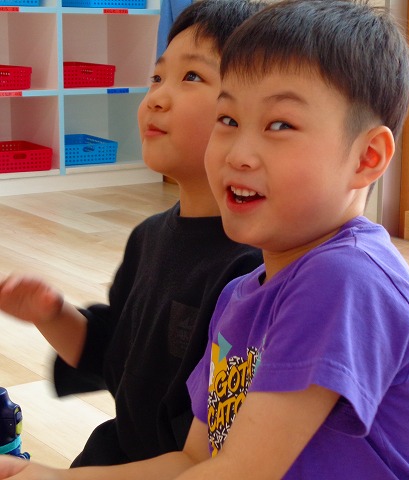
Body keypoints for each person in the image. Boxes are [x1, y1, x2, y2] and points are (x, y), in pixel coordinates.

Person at [0, 1, 409, 478]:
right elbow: (194, 459)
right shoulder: (239, 298)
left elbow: (239, 472)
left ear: (367, 157)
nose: (238, 153)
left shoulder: (344, 278)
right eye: (227, 121)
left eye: (280, 125)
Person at [0, 0, 263, 468]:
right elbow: (115, 357)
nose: (156, 98)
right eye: (157, 77)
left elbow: (216, 455)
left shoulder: (252, 266)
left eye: (192, 77)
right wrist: (53, 314)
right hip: (125, 451)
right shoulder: (150, 236)